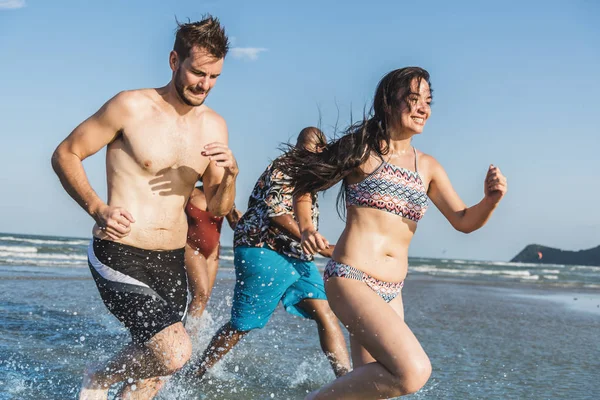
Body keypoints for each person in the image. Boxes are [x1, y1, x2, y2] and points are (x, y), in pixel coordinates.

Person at [276, 67, 508, 399]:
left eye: (427, 101)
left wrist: (490, 200)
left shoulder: (427, 166)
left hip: (392, 290)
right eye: (413, 100)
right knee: (413, 371)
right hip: (351, 278)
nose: (423, 108)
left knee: (374, 389)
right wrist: (307, 228)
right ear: (388, 103)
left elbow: (464, 220)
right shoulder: (361, 151)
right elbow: (305, 185)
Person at [51, 16, 238, 400]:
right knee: (174, 352)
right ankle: (99, 377)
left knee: (151, 379)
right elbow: (66, 153)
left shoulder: (215, 126)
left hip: (170, 261)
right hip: (119, 252)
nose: (205, 84)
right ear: (174, 61)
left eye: (214, 77)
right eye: (197, 72)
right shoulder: (129, 106)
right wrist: (96, 207)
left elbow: (218, 206)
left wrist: (232, 175)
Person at [191, 127, 351, 380]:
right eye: (312, 149)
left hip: (296, 254)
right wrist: (317, 244)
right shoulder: (286, 167)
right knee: (242, 324)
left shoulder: (306, 173)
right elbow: (276, 213)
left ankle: (345, 380)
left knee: (324, 312)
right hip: (263, 249)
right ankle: (194, 374)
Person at [185, 184, 242, 319]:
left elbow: (235, 224)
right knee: (201, 294)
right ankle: (186, 334)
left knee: (203, 299)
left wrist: (240, 219)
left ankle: (193, 335)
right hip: (191, 247)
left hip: (212, 254)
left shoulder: (223, 197)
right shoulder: (191, 191)